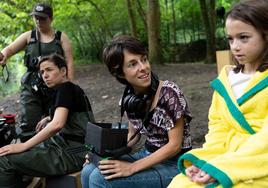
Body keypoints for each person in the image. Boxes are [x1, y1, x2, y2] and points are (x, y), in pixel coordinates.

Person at [169, 0, 268, 187]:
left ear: (266, 35)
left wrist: (223, 168)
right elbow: (218, 128)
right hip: (224, 156)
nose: (235, 46)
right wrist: (205, 162)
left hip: (259, 162)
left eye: (244, 37)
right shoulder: (226, 81)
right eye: (230, 39)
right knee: (180, 184)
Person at [81, 35, 192, 188]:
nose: (143, 67)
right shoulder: (129, 99)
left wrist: (131, 167)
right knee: (88, 171)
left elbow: (175, 146)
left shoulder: (169, 93)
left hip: (175, 164)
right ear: (120, 73)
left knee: (100, 179)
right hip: (147, 155)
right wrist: (100, 155)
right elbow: (132, 137)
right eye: (133, 64)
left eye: (144, 59)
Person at [0, 54, 94, 188]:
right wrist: (49, 117)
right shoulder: (70, 89)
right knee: (15, 153)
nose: (45, 75)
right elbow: (71, 113)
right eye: (42, 72)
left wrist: (24, 145)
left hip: (74, 153)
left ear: (63, 71)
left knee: (4, 161)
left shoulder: (65, 89)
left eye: (49, 70)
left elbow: (57, 125)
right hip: (76, 147)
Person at [0, 2, 74, 138]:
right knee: (29, 121)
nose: (38, 21)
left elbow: (69, 62)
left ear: (51, 19)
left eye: (42, 18)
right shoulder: (29, 36)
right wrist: (3, 55)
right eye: (36, 17)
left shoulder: (61, 38)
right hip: (31, 86)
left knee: (55, 120)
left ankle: (53, 151)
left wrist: (68, 87)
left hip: (55, 86)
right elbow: (9, 49)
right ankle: (28, 150)